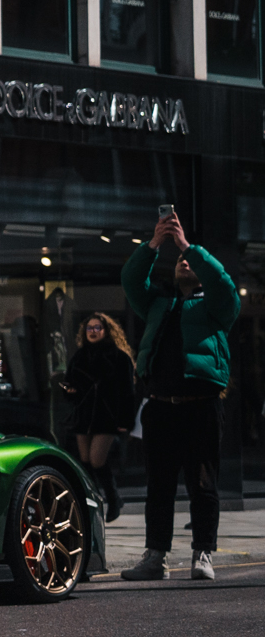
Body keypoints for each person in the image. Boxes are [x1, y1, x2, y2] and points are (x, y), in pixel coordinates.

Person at [119, 213, 238, 581]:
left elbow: (223, 282)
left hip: (201, 407)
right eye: (181, 261)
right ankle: (156, 557)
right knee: (159, 486)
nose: (184, 262)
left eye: (190, 262)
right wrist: (154, 243)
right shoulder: (158, 303)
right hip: (160, 408)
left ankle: (202, 555)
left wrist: (188, 246)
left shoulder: (215, 306)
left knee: (203, 484)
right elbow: (131, 279)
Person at [56, 312, 135, 525]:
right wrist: (69, 390)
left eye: (97, 328)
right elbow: (67, 383)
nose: (93, 331)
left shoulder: (118, 357)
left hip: (106, 416)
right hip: (84, 416)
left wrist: (125, 422)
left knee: (97, 459)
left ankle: (113, 498)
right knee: (85, 462)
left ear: (106, 330)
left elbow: (128, 392)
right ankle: (92, 503)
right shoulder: (79, 356)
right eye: (89, 328)